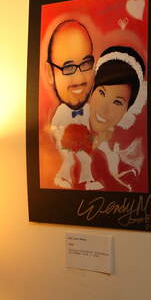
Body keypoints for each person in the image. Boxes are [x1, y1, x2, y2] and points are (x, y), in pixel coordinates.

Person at [45, 19, 101, 189]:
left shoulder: (91, 110)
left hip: (80, 144)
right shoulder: (61, 113)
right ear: (50, 73)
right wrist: (64, 138)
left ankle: (87, 181)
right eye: (68, 67)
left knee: (86, 159)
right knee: (68, 160)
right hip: (66, 145)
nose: (79, 78)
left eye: (86, 64)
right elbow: (55, 131)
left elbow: (91, 130)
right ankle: (63, 178)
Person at [86, 46, 147, 191]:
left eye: (117, 102)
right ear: (92, 90)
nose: (103, 109)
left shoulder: (125, 155)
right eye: (102, 93)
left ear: (128, 109)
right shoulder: (68, 121)